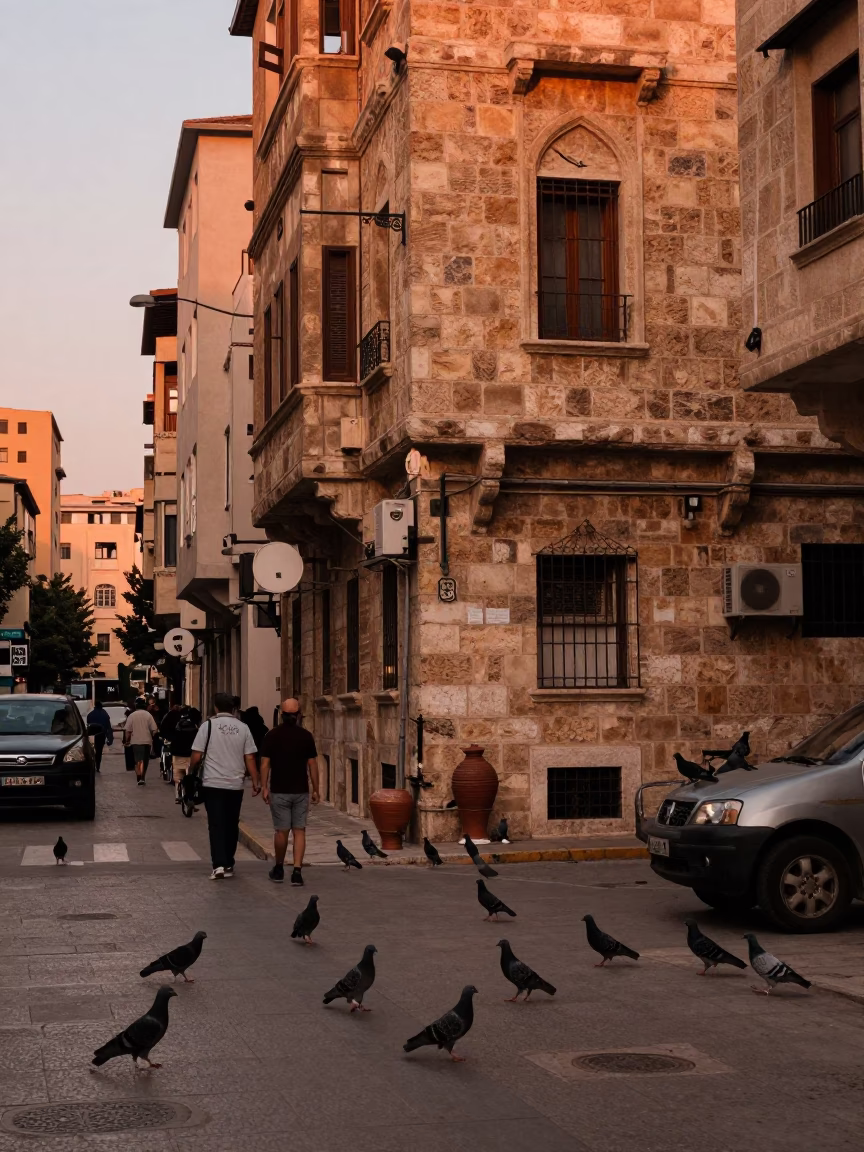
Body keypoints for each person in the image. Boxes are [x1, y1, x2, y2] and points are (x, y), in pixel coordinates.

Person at [190, 692, 259, 880]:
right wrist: (256, 781)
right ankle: (229, 862)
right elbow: (250, 757)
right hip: (235, 784)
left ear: (216, 708)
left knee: (216, 824)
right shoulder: (243, 728)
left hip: (213, 783)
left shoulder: (208, 726)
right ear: (234, 709)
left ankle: (219, 864)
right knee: (231, 823)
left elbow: (196, 755)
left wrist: (191, 771)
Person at [259, 698, 319, 886]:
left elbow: (265, 764)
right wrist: (316, 789)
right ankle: (297, 871)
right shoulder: (306, 736)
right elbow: (312, 765)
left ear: (282, 715)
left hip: (279, 790)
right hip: (300, 790)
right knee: (299, 830)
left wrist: (264, 787)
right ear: (299, 715)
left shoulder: (271, 735)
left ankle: (278, 868)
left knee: (281, 831)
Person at [123, 699, 158, 785]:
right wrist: (153, 736)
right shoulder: (148, 715)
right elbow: (154, 729)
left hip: (136, 741)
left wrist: (127, 740)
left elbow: (128, 731)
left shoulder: (132, 716)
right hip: (147, 741)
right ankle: (142, 777)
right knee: (145, 760)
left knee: (138, 759)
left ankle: (139, 775)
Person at [170, 706, 199, 804]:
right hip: (190, 755)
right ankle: (190, 795)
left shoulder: (177, 727)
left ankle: (178, 796)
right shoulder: (195, 728)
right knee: (190, 775)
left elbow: (172, 740)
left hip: (178, 754)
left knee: (178, 776)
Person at [86, 699, 113, 772]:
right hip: (101, 735)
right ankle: (97, 766)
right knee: (99, 752)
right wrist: (110, 738)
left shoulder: (90, 714)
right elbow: (108, 727)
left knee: (91, 751)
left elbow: (87, 725)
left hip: (91, 735)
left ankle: (92, 765)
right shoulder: (105, 714)